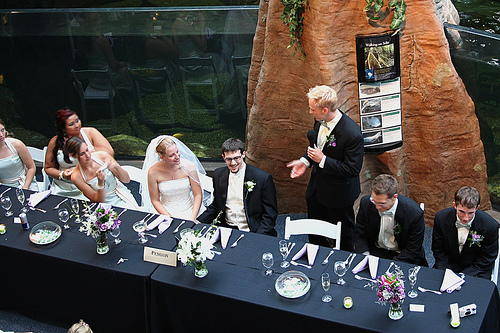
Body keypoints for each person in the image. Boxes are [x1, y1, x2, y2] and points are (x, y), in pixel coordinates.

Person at [287, 85, 364, 251]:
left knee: (344, 232)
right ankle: (317, 254)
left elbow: (352, 170)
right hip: (317, 187)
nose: (310, 112)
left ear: (325, 109)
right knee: (315, 226)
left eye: (312, 109)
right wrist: (305, 161)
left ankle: (345, 261)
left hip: (339, 192)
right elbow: (315, 146)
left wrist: (323, 160)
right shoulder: (318, 120)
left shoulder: (352, 134)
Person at [198, 138, 278, 236]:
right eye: (229, 159)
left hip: (253, 230)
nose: (233, 163)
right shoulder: (218, 175)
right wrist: (197, 223)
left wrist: (257, 237)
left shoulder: (262, 178)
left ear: (243, 154)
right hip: (227, 229)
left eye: (236, 158)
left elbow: (270, 215)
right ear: (223, 157)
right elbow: (216, 206)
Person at [354, 174, 427, 265]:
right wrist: (365, 255)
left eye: (381, 203)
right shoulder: (366, 203)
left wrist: (389, 266)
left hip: (403, 255)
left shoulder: (413, 213)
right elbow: (360, 235)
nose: (376, 207)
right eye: (374, 201)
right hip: (375, 252)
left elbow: (412, 249)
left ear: (394, 197)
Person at [45, 107, 114, 200]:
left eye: (77, 121)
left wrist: (82, 169)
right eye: (71, 124)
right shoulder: (55, 142)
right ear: (63, 128)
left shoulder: (90, 133)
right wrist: (62, 175)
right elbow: (48, 168)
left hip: (90, 185)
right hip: (63, 188)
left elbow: (108, 154)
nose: (77, 125)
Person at [432, 186, 499, 279]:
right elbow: (438, 250)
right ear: (455, 205)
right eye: (462, 212)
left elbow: (487, 258)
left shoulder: (490, 226)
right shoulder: (441, 218)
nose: (465, 218)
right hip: (447, 266)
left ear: (477, 208)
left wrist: (464, 275)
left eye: (471, 213)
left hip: (476, 270)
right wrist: (449, 272)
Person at [63, 137, 138, 210]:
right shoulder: (76, 176)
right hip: (105, 205)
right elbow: (97, 200)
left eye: (87, 150)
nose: (88, 155)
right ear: (74, 156)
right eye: (82, 154)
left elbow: (126, 180)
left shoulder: (102, 156)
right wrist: (100, 183)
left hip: (121, 194)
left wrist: (116, 167)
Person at [146, 136, 205, 221]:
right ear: (162, 157)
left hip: (191, 210)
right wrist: (169, 217)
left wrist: (192, 218)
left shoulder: (189, 166)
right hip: (166, 212)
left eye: (177, 152)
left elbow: (198, 194)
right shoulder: (153, 172)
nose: (177, 156)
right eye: (171, 155)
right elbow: (155, 200)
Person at [0, 119, 38, 190]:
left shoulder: (17, 144)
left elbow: (32, 167)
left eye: (2, 130)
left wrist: (25, 187)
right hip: (4, 188)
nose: (1, 135)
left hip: (24, 183)